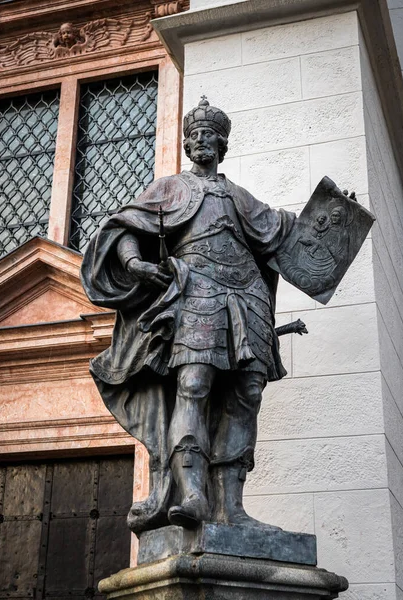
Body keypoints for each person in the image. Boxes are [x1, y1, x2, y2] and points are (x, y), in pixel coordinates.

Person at [81, 97, 298, 533]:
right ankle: (194, 493)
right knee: (194, 382)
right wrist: (132, 264)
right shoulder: (170, 188)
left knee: (248, 390)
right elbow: (125, 228)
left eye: (208, 136)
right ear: (186, 144)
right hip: (195, 287)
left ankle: (232, 506)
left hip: (247, 293)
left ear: (222, 144)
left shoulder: (238, 195)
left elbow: (283, 233)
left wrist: (329, 219)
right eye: (193, 136)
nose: (200, 141)